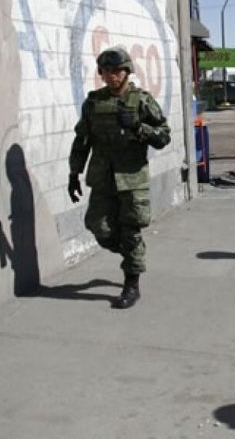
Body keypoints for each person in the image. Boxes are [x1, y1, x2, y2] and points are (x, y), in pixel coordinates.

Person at [68, 47, 171, 309]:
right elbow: (82, 141)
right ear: (101, 73)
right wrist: (74, 173)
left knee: (131, 230)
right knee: (98, 227)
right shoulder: (93, 102)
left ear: (127, 72)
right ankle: (131, 254)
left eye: (117, 71)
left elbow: (163, 137)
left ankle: (131, 284)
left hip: (132, 179)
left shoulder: (142, 100)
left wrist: (138, 126)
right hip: (102, 177)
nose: (112, 76)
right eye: (106, 72)